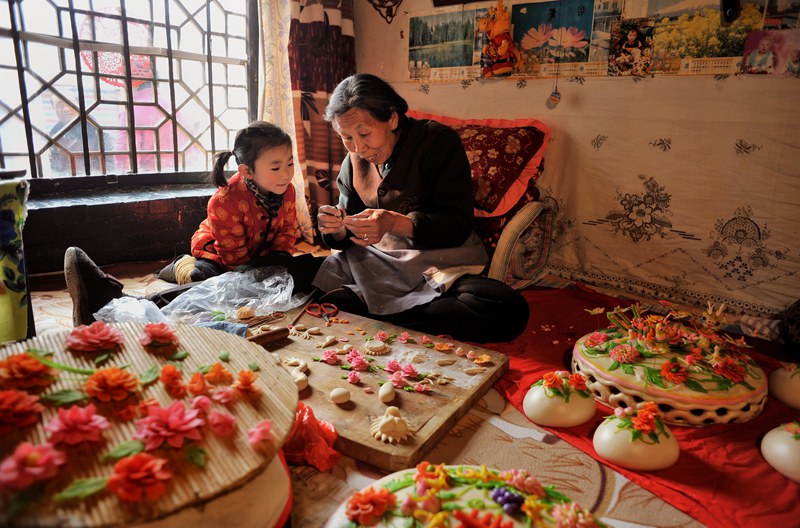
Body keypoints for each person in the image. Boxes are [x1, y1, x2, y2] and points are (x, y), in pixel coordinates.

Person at [312, 73, 529, 343]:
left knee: (506, 308)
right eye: (346, 138)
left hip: (437, 265)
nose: (358, 147)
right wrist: (336, 227)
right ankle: (383, 307)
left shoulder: (437, 142)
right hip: (378, 264)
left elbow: (457, 225)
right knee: (288, 270)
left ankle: (378, 309)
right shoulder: (354, 159)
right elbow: (349, 227)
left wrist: (395, 223)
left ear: (392, 118)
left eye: (365, 134)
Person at [65, 121, 323, 327]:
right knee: (213, 281)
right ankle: (169, 274)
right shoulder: (224, 201)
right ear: (247, 171)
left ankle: (123, 302)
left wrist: (277, 262)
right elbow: (233, 259)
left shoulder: (287, 191)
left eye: (290, 163)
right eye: (276, 167)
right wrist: (258, 273)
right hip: (221, 256)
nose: (287, 173)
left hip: (260, 256)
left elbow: (287, 232)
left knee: (275, 274)